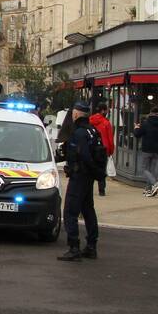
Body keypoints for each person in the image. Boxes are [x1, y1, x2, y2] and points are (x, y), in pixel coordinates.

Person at [56, 101, 102, 262]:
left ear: (75, 114)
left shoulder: (79, 133)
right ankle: (91, 246)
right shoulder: (93, 131)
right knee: (88, 210)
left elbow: (83, 156)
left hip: (79, 176)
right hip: (88, 177)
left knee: (70, 212)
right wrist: (97, 174)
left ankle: (74, 247)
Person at [133, 105, 158, 196]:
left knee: (144, 168)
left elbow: (137, 134)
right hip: (156, 151)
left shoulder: (145, 123)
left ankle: (155, 183)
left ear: (150, 113)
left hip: (146, 149)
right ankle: (149, 189)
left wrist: (136, 127)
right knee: (151, 170)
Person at [89, 100, 115, 196]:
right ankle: (101, 190)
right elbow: (110, 139)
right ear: (103, 111)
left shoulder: (90, 120)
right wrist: (111, 151)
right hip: (103, 149)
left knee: (90, 168)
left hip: (92, 148)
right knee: (101, 170)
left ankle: (89, 189)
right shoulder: (106, 123)